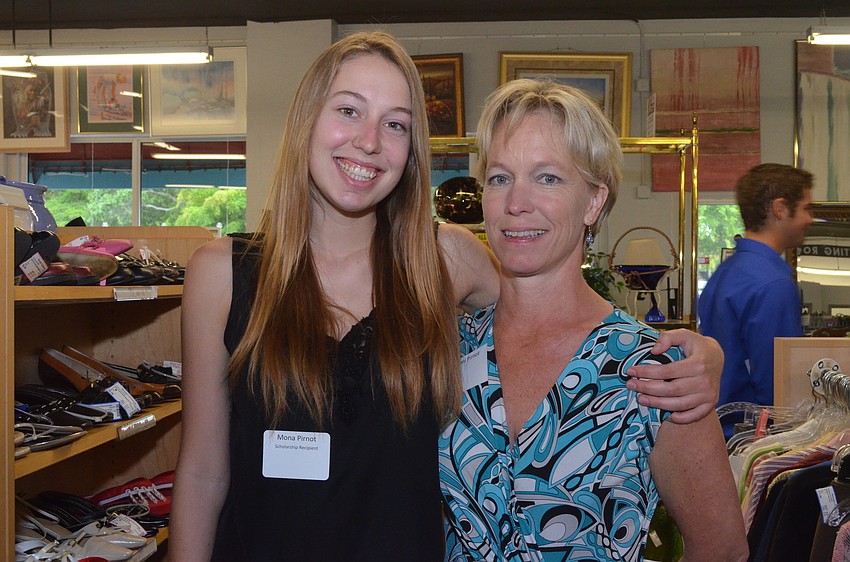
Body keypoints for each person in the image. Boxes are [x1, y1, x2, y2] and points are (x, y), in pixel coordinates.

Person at [170, 31, 725, 561]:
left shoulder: (441, 260)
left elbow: (543, 301)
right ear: (305, 118)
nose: (368, 140)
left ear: (411, 149)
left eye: (395, 124)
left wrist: (699, 352)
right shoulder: (222, 275)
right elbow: (201, 473)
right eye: (348, 110)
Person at [439, 79, 748, 561]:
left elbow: (722, 549)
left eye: (548, 178)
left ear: (594, 202)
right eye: (500, 178)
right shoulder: (447, 351)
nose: (516, 202)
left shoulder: (654, 371)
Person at [699, 163, 813, 419]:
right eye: (807, 209)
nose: (810, 219)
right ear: (780, 209)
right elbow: (779, 390)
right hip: (754, 439)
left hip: (720, 428)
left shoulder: (726, 272)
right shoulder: (772, 283)